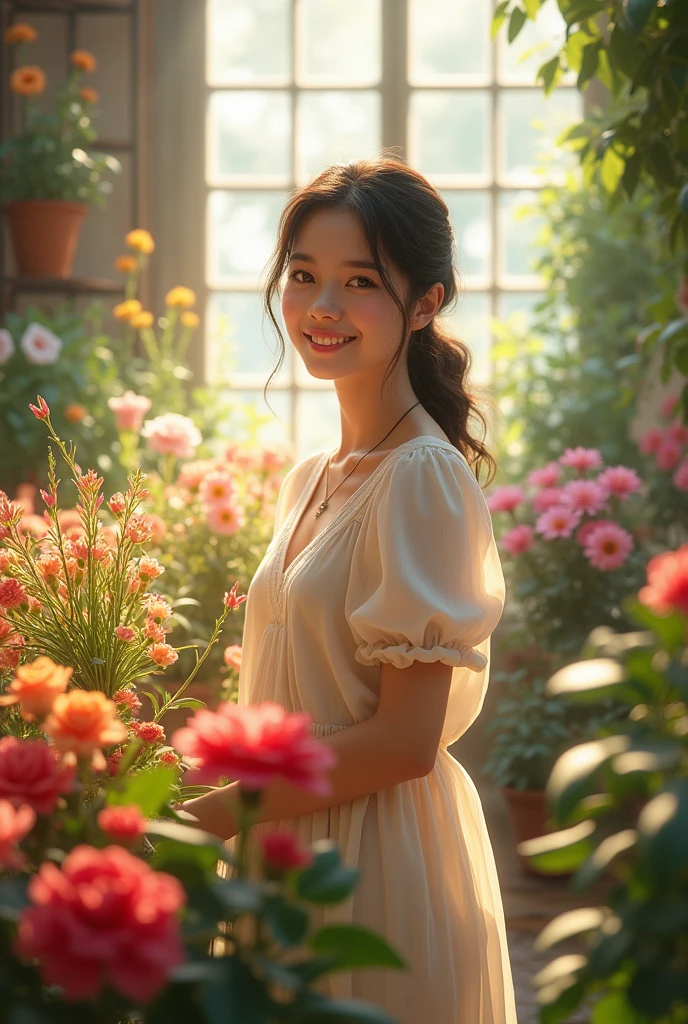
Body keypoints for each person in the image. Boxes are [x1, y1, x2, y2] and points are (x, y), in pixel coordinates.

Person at [182, 157, 517, 1023]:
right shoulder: (309, 478)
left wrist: (204, 817)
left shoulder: (424, 478)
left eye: (359, 281)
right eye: (303, 276)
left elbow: (405, 740)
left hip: (375, 863)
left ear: (424, 303)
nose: (322, 307)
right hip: (285, 845)